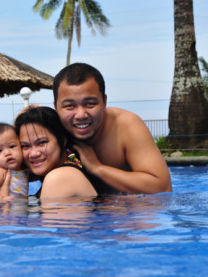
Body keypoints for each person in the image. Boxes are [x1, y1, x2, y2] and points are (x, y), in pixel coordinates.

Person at [52, 63, 172, 194]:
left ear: (104, 101)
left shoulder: (126, 125)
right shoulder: (49, 129)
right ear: (56, 107)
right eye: (69, 106)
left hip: (124, 209)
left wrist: (98, 168)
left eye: (90, 104)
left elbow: (162, 187)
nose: (81, 114)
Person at [14, 106, 97, 199]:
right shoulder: (72, 169)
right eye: (25, 146)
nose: (33, 153)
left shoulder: (58, 177)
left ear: (63, 139)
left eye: (42, 142)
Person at [0, 123, 29, 200]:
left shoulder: (21, 170)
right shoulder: (0, 171)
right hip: (2, 209)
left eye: (12, 146)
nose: (7, 153)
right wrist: (1, 199)